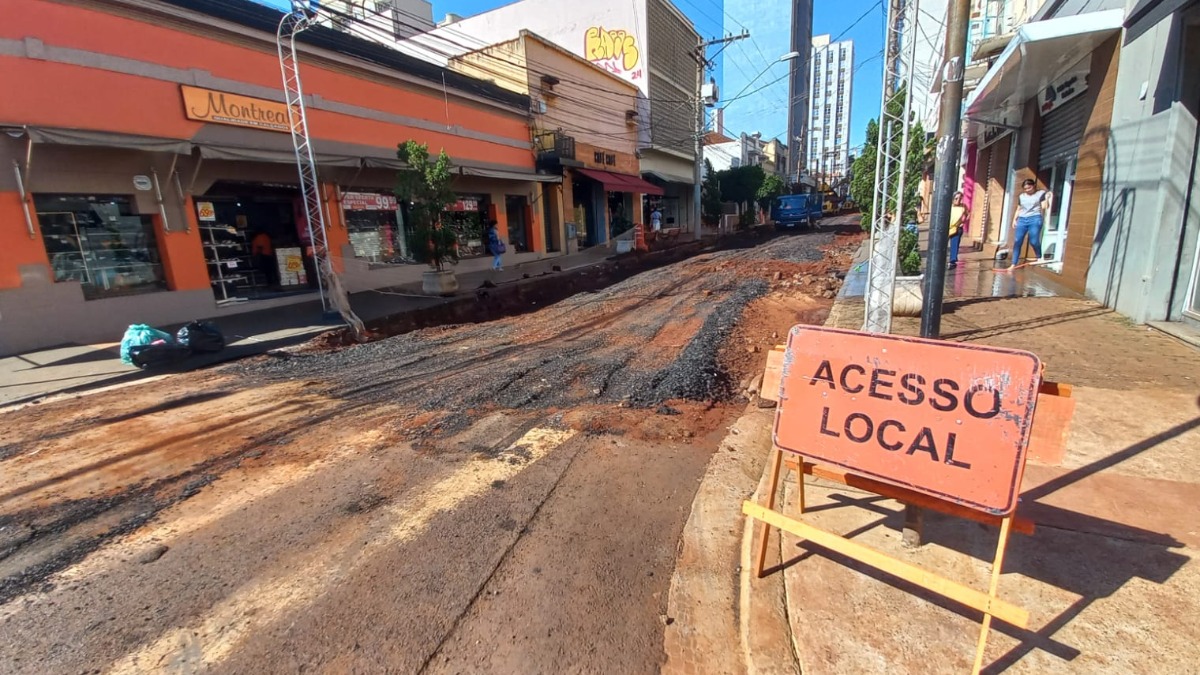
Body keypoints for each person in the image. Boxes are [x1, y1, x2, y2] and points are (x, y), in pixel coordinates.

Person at [1011, 178, 1052, 267]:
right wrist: (1014, 219)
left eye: (1029, 188)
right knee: (1017, 241)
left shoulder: (1040, 194)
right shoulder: (1021, 196)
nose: (1027, 190)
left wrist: (1047, 198)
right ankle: (1013, 263)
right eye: (1025, 189)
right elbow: (1019, 208)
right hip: (1022, 219)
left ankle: (1039, 257)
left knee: (1033, 241)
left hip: (1035, 219)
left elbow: (1044, 207)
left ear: (1034, 186)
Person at [948, 191, 969, 268]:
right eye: (956, 198)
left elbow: (968, 214)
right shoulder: (948, 206)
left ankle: (952, 261)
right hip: (947, 227)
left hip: (956, 228)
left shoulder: (963, 206)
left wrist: (963, 222)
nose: (958, 200)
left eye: (960, 198)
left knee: (955, 244)